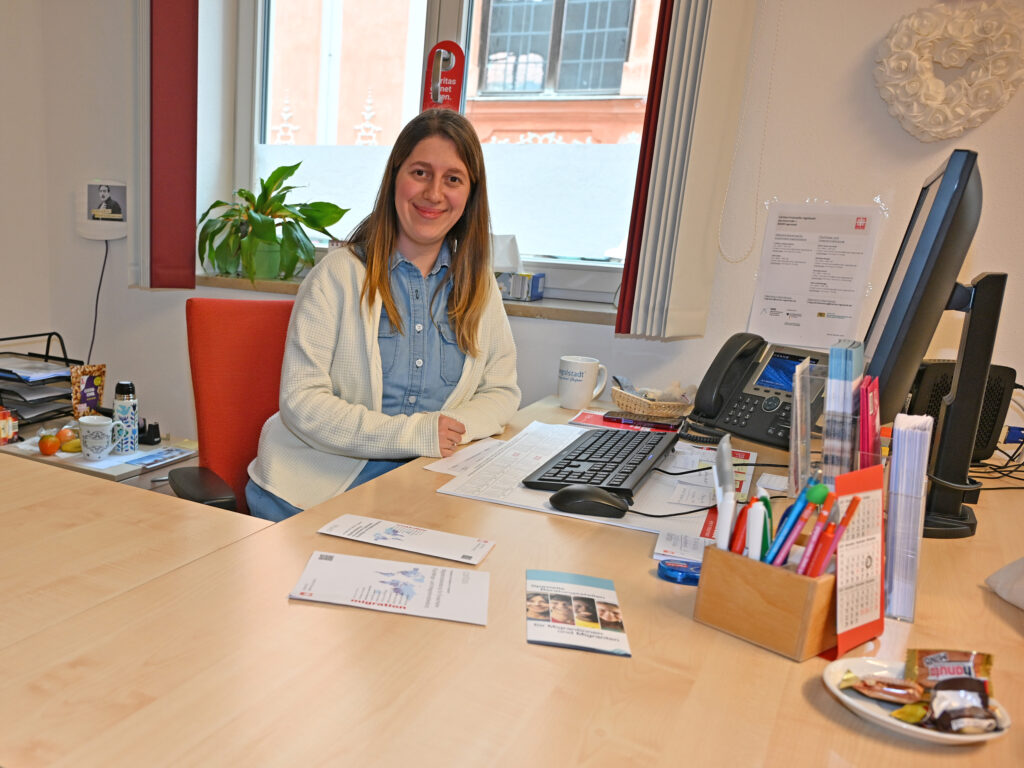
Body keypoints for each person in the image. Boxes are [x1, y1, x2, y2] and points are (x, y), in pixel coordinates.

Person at [246, 108, 521, 521]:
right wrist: (416, 435)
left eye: (453, 179)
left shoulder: (477, 285)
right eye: (420, 172)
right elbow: (302, 403)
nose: (433, 194)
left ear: (470, 195)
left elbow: (501, 391)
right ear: (395, 177)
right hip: (315, 492)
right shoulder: (337, 276)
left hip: (422, 485)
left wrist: (447, 432)